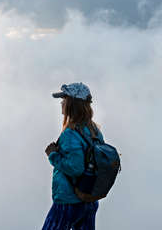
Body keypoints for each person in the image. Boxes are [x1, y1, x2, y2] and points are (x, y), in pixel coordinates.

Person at [42, 82, 105, 230]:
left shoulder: (71, 133)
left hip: (68, 201)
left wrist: (53, 155)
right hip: (88, 199)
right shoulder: (94, 130)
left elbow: (75, 168)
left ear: (72, 104)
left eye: (64, 99)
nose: (62, 103)